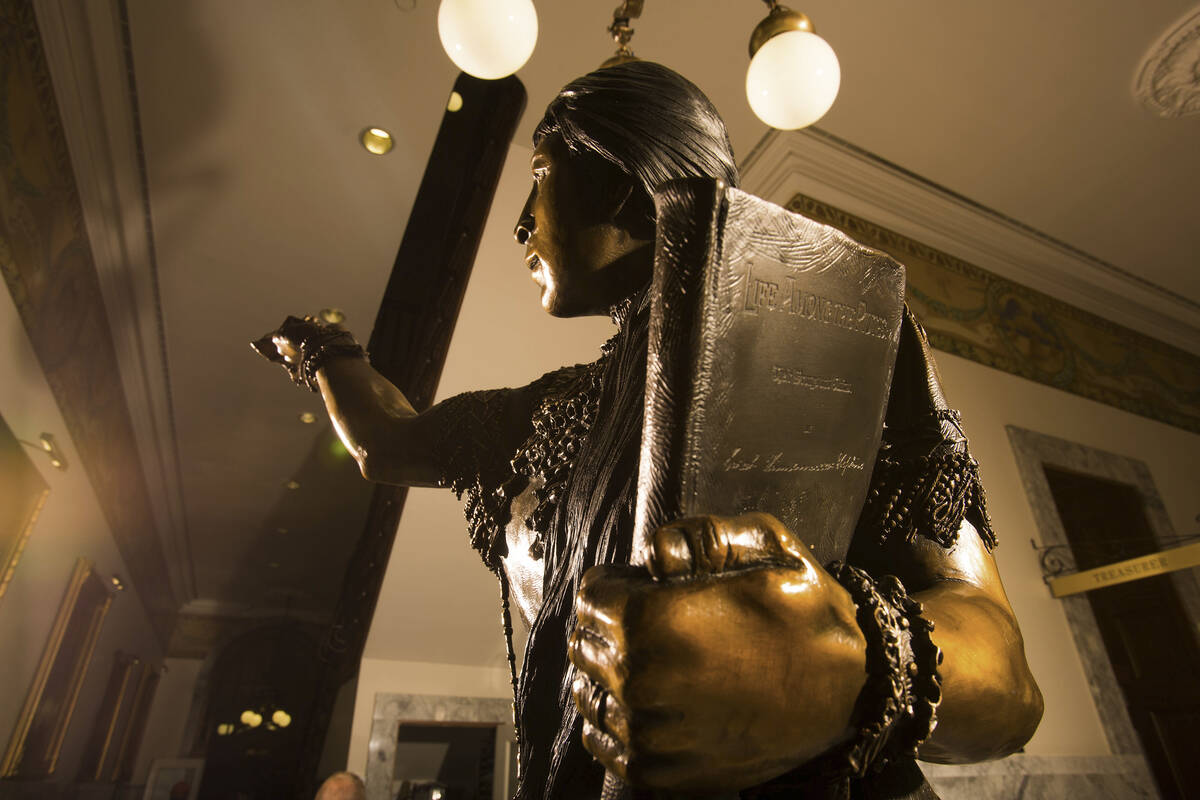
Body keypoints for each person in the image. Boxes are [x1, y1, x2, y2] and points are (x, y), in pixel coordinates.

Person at [257, 62, 1042, 799]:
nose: (521, 226)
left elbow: (1006, 678)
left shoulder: (835, 332)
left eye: (539, 177)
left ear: (630, 185)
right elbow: (388, 442)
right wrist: (322, 350)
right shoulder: (545, 414)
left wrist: (850, 664)